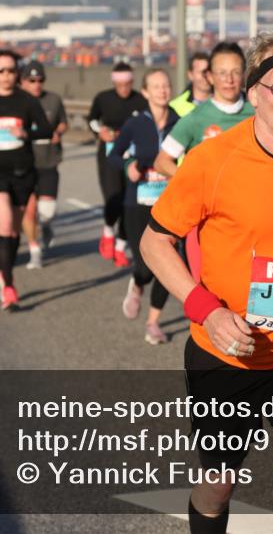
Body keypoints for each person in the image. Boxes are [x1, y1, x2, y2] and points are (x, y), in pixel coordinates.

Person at [139, 29, 273, 534]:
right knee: (218, 487)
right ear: (254, 93)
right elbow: (154, 242)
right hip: (226, 350)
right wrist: (206, 309)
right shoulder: (212, 161)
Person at [0, 50, 50, 310]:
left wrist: (25, 132)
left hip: (23, 173)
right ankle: (8, 286)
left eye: (11, 71)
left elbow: (46, 129)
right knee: (4, 222)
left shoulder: (27, 101)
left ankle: (6, 272)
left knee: (14, 231)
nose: (6, 75)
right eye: (1, 70)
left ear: (17, 74)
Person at [107, 69, 178, 345]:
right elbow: (114, 155)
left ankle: (153, 323)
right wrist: (128, 165)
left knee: (169, 264)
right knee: (146, 267)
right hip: (137, 203)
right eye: (156, 86)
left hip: (170, 204)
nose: (162, 90)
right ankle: (137, 282)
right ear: (146, 92)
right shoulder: (135, 124)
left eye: (166, 85)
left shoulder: (179, 122)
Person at [154, 41, 253, 176]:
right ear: (210, 77)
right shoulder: (196, 118)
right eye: (222, 73)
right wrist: (192, 181)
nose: (229, 79)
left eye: (235, 72)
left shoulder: (258, 113)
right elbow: (161, 162)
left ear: (244, 75)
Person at [88, 62, 148, 267]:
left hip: (133, 158)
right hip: (110, 157)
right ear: (114, 83)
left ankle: (121, 247)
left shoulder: (140, 100)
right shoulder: (103, 98)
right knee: (113, 198)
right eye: (120, 84)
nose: (124, 88)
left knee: (129, 204)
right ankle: (108, 230)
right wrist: (100, 132)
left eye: (128, 84)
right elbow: (92, 120)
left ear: (132, 81)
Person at [19, 61, 68, 268]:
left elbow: (63, 122)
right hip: (25, 164)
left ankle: (46, 226)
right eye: (31, 81)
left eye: (40, 80)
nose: (36, 84)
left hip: (48, 162)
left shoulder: (53, 100)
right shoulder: (16, 102)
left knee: (46, 211)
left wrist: (57, 131)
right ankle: (35, 251)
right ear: (23, 82)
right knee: (29, 211)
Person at [169, 51, 212, 117]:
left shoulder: (224, 101)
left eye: (208, 71)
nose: (205, 76)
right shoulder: (175, 106)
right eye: (202, 72)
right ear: (190, 75)